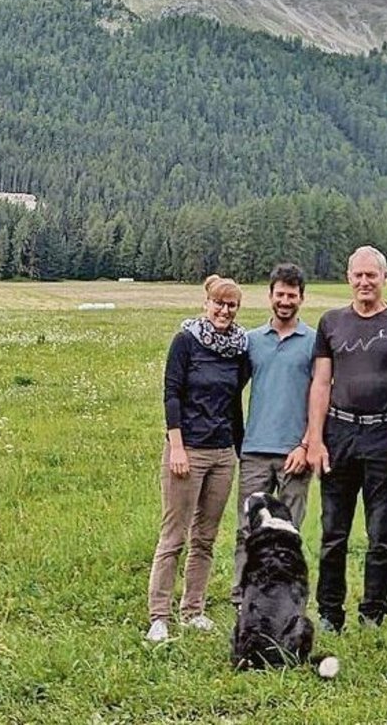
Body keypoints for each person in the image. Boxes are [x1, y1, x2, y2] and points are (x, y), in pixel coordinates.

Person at [303, 246, 387, 631]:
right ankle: (329, 612)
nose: (365, 282)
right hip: (339, 435)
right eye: (358, 275)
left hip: (384, 436)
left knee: (381, 533)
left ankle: (374, 612)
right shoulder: (331, 323)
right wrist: (316, 440)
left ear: (385, 278)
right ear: (348, 278)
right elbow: (321, 383)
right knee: (333, 532)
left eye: (372, 275)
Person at [146, 274, 250, 643]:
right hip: (187, 450)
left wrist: (238, 449)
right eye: (219, 303)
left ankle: (193, 609)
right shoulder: (185, 342)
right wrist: (176, 445)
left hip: (223, 453)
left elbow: (234, 401)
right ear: (206, 303)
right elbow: (171, 394)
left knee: (205, 538)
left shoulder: (239, 349)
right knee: (173, 537)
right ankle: (159, 615)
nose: (224, 310)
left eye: (231, 305)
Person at [230, 263, 315, 606]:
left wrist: (307, 444)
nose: (285, 301)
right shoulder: (251, 342)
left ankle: (284, 597)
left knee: (288, 532)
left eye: (291, 295)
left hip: (296, 452)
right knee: (247, 530)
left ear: (301, 299)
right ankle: (242, 596)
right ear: (270, 296)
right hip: (254, 450)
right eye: (279, 294)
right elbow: (229, 388)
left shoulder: (313, 343)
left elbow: (321, 397)